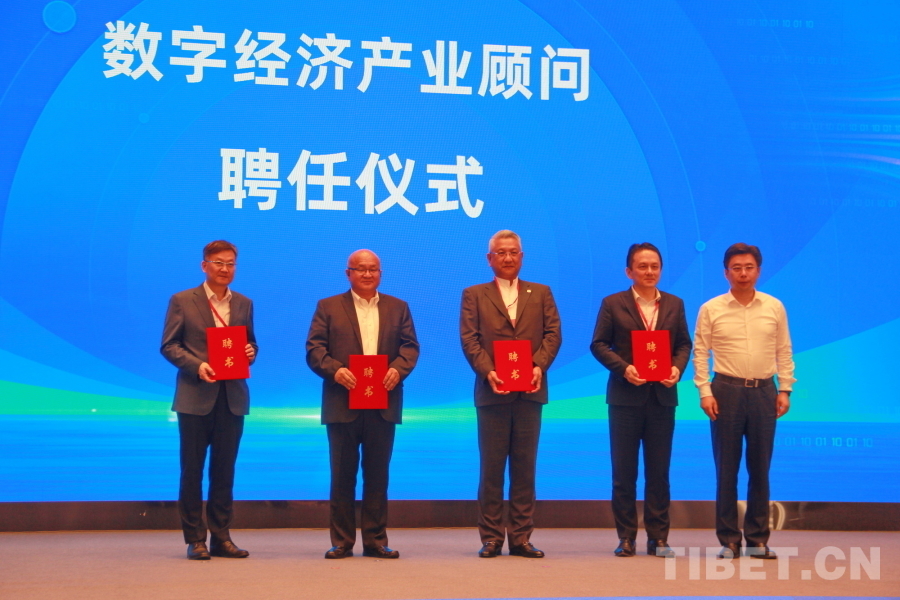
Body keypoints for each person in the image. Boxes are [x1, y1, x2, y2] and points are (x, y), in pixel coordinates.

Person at [306, 249, 419, 559]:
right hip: (342, 402)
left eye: (373, 269)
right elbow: (314, 349)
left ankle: (375, 540)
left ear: (380, 273)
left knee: (378, 476)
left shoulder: (398, 307)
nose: (367, 274)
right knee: (342, 476)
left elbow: (410, 348)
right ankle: (342, 541)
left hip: (383, 401)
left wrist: (398, 369)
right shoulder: (328, 307)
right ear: (348, 273)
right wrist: (335, 370)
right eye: (360, 269)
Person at [459, 230, 562, 558]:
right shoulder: (474, 294)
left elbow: (553, 334)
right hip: (492, 391)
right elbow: (470, 339)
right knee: (491, 468)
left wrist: (538, 366)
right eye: (501, 253)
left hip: (530, 390)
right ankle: (491, 537)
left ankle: (520, 537)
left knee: (524, 467)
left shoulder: (541, 292)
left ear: (522, 256)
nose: (507, 258)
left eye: (513, 252)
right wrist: (488, 371)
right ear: (489, 259)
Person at [693, 243, 795, 560]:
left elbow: (784, 349)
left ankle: (757, 539)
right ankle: (729, 540)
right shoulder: (711, 308)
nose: (743, 273)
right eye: (736, 268)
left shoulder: (774, 307)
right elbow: (700, 353)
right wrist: (704, 391)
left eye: (749, 267)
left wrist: (785, 389)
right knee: (727, 469)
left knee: (760, 468)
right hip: (726, 391)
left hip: (765, 391)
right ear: (726, 273)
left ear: (758, 271)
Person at [590, 243, 692, 558]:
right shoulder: (613, 303)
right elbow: (599, 344)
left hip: (662, 398)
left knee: (659, 472)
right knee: (624, 472)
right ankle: (626, 538)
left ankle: (658, 538)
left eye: (654, 266)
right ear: (629, 271)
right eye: (642, 266)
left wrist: (677, 369)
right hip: (625, 399)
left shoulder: (674, 304)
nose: (649, 271)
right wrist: (624, 369)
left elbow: (684, 344)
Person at [161, 240, 258, 560]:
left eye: (230, 263)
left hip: (232, 397)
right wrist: (197, 366)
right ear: (205, 265)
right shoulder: (182, 300)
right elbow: (169, 345)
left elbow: (250, 344)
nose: (225, 269)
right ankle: (195, 539)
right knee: (192, 470)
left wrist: (250, 352)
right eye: (219, 262)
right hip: (195, 396)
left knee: (224, 470)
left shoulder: (243, 303)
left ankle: (221, 537)